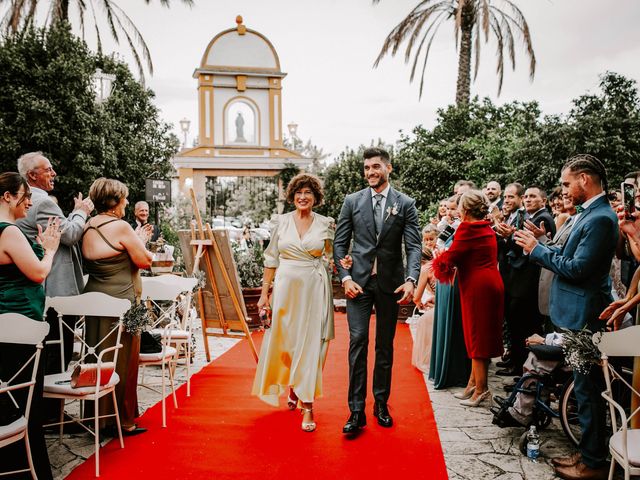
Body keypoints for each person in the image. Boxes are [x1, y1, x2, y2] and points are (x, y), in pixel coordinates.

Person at [515, 154, 618, 480]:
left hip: (585, 317)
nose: (564, 189)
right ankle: (586, 455)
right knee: (583, 388)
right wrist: (543, 243)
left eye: (566, 182)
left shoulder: (601, 218)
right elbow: (568, 256)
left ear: (584, 179)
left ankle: (592, 462)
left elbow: (578, 269)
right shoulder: (589, 215)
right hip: (575, 313)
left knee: (587, 391)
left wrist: (536, 249)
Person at [333, 147, 421, 434]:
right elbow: (340, 243)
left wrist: (411, 279)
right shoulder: (352, 201)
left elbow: (414, 246)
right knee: (357, 341)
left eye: (375, 167)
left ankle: (381, 403)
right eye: (366, 168)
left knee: (385, 345)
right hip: (357, 283)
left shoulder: (405, 203)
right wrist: (345, 276)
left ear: (388, 168)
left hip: (390, 284)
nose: (370, 172)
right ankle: (356, 410)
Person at [252, 173, 334, 433]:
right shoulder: (281, 222)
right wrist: (265, 294)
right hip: (285, 289)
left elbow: (331, 255)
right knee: (286, 342)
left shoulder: (325, 223)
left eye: (308, 193)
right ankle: (293, 385)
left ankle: (307, 404)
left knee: (310, 344)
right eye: (299, 193)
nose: (303, 197)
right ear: (292, 196)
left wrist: (341, 263)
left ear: (315, 197)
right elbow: (271, 259)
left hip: (313, 288)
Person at [15, 152, 93, 393]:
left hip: (36, 286)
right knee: (58, 351)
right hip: (54, 288)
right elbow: (69, 234)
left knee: (49, 349)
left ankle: (46, 406)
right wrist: (81, 211)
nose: (54, 173)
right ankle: (51, 409)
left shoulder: (27, 202)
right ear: (32, 175)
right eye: (48, 169)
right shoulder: (43, 202)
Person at [0, 172, 61, 480]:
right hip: (19, 323)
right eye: (25, 197)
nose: (29, 203)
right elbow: (38, 273)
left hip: (5, 324)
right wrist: (49, 248)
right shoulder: (8, 232)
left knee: (6, 397)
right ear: (7, 197)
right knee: (23, 403)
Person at [82, 178, 153, 435]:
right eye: (124, 199)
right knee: (122, 358)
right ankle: (122, 420)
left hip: (94, 298)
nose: (126, 203)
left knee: (96, 354)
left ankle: (96, 418)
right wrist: (141, 241)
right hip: (122, 301)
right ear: (115, 202)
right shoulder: (121, 227)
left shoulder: (88, 225)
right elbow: (144, 260)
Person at [432, 190, 504, 407]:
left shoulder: (467, 228)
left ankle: (482, 390)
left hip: (477, 287)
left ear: (464, 209)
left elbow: (452, 257)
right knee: (477, 334)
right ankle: (472, 384)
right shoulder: (485, 227)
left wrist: (439, 257)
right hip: (491, 282)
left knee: (477, 337)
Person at [411, 247, 436, 373]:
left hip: (439, 308)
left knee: (424, 321)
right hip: (448, 304)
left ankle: (428, 360)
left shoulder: (425, 269)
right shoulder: (438, 265)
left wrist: (419, 303)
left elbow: (416, 297)